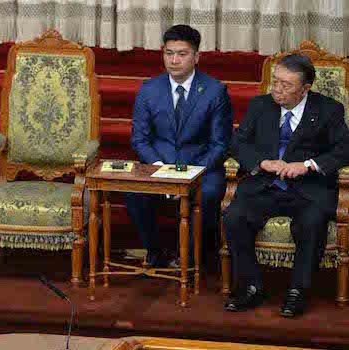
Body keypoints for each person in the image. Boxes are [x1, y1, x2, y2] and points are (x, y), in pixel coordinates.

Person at [223, 54, 349, 317]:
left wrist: (309, 164)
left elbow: (344, 149)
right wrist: (262, 162)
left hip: (309, 189)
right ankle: (251, 286)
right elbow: (237, 143)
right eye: (275, 82)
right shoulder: (260, 105)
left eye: (286, 85)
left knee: (311, 223)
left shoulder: (329, 109)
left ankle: (298, 291)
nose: (277, 90)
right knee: (235, 216)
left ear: (305, 89)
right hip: (265, 185)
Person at [126, 24, 233, 268]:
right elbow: (139, 139)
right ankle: (156, 252)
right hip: (158, 167)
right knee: (133, 192)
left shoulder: (215, 91)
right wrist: (160, 168)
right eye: (169, 53)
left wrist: (188, 175)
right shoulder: (149, 90)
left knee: (208, 193)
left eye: (182, 54)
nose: (174, 60)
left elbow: (220, 144)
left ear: (196, 57)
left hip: (200, 168)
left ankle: (193, 259)